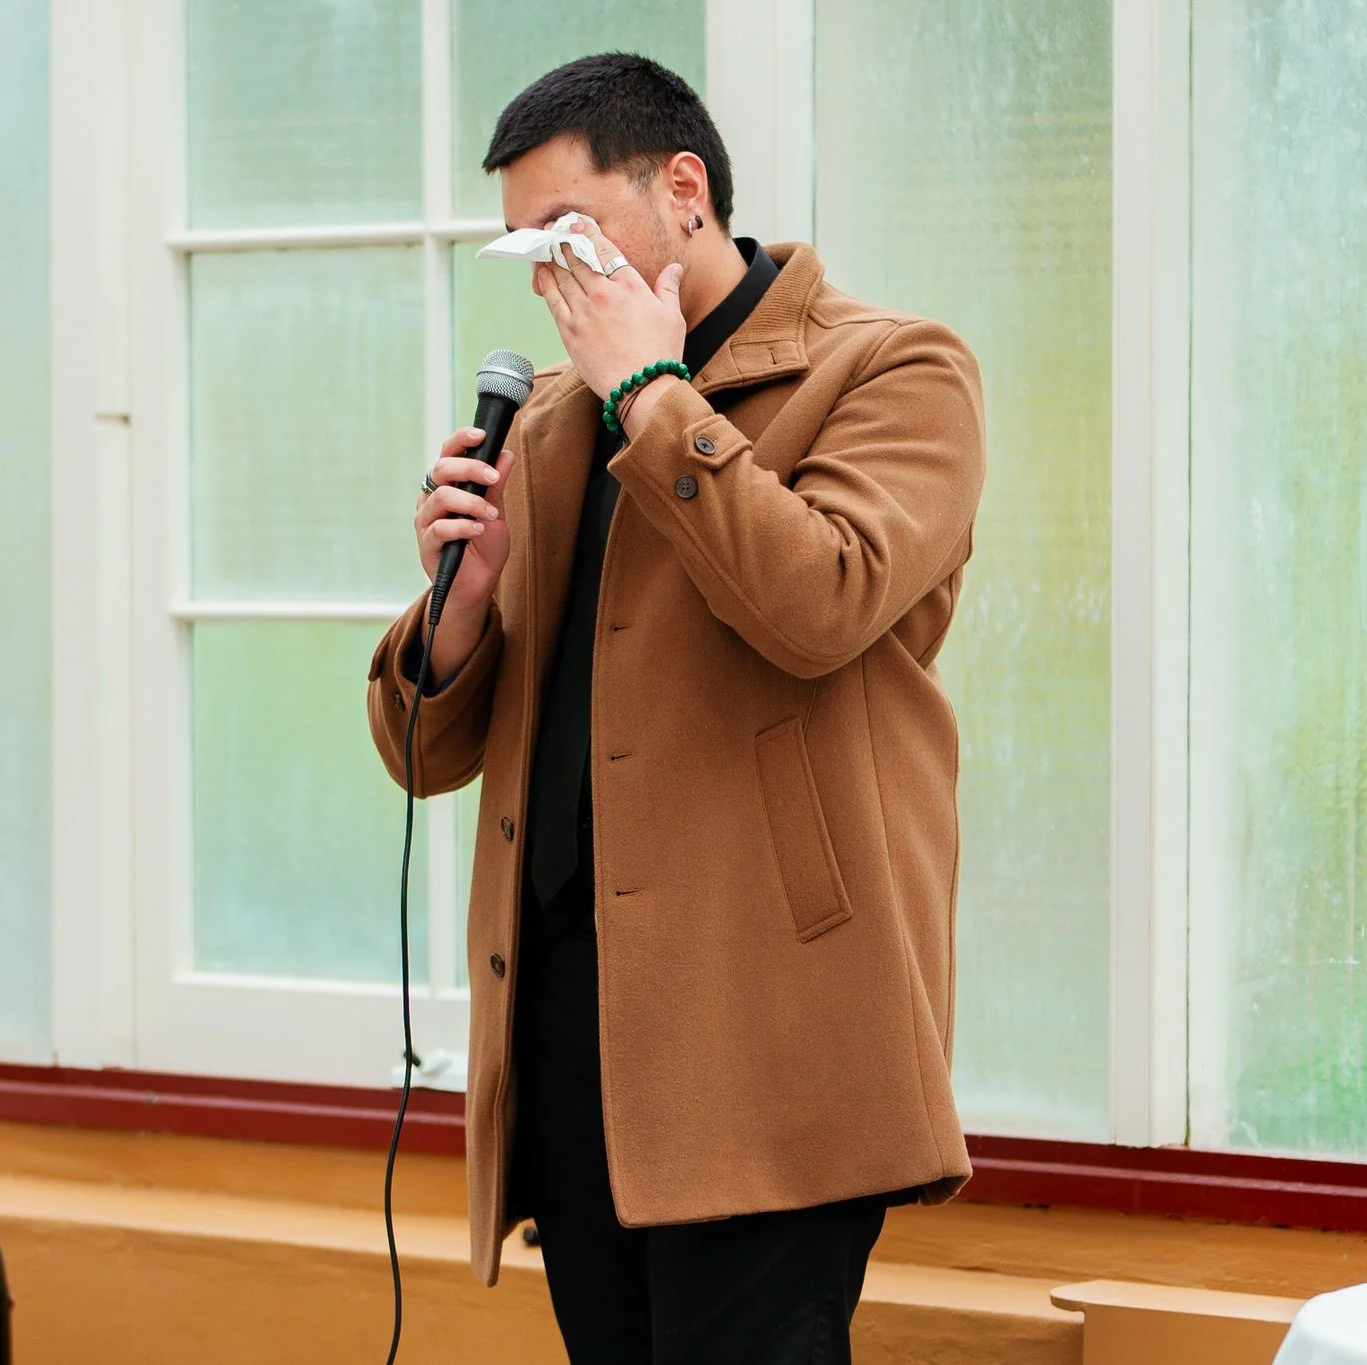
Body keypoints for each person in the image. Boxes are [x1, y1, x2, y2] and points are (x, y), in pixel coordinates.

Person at [366, 52, 985, 1364]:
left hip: (769, 1032)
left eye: (568, 227)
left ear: (683, 189)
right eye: (525, 245)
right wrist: (458, 610)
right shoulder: (548, 424)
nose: (548, 271)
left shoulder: (893, 370)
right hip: (567, 1030)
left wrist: (652, 396)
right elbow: (424, 758)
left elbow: (822, 603)